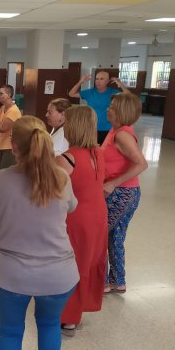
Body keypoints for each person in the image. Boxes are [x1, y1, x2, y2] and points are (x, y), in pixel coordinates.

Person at [0, 116, 78, 350]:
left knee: (10, 330)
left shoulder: (1, 180)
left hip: (11, 274)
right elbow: (72, 206)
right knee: (48, 325)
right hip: (59, 275)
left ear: (15, 149)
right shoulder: (62, 177)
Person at [56, 106, 107, 336]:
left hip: (77, 218)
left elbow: (52, 192)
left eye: (66, 122)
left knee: (71, 264)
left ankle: (68, 316)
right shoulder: (99, 153)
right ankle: (81, 306)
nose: (63, 126)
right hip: (98, 215)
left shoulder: (67, 158)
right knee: (88, 261)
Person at [102, 93, 148, 294]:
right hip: (128, 192)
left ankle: (102, 282)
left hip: (122, 193)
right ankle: (117, 281)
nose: (107, 109)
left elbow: (141, 163)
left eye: (112, 106)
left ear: (121, 111)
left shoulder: (122, 134)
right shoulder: (115, 131)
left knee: (99, 235)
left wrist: (113, 183)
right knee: (114, 237)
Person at [68, 71, 129, 144]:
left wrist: (121, 85)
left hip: (108, 128)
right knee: (92, 151)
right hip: (91, 128)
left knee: (105, 152)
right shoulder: (90, 92)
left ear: (107, 81)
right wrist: (80, 82)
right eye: (97, 79)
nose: (98, 81)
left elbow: (129, 97)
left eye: (101, 79)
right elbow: (71, 94)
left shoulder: (113, 92)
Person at [0, 84, 21, 173]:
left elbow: (3, 129)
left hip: (10, 147)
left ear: (9, 95)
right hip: (2, 146)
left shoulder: (13, 111)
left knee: (4, 173)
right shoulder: (2, 108)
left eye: (1, 94)